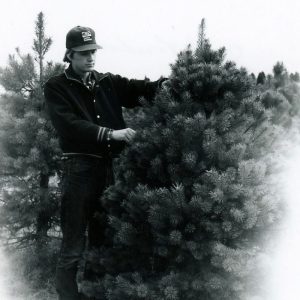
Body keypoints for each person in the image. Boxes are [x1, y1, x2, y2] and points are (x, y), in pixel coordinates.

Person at [44, 26, 167, 300]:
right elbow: (70, 126)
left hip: (107, 170)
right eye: (84, 53)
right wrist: (111, 133)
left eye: (93, 52)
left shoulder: (106, 81)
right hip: (79, 171)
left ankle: (91, 293)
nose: (90, 58)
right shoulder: (56, 87)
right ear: (70, 55)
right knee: (73, 244)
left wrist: (165, 85)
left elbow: (139, 90)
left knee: (101, 240)